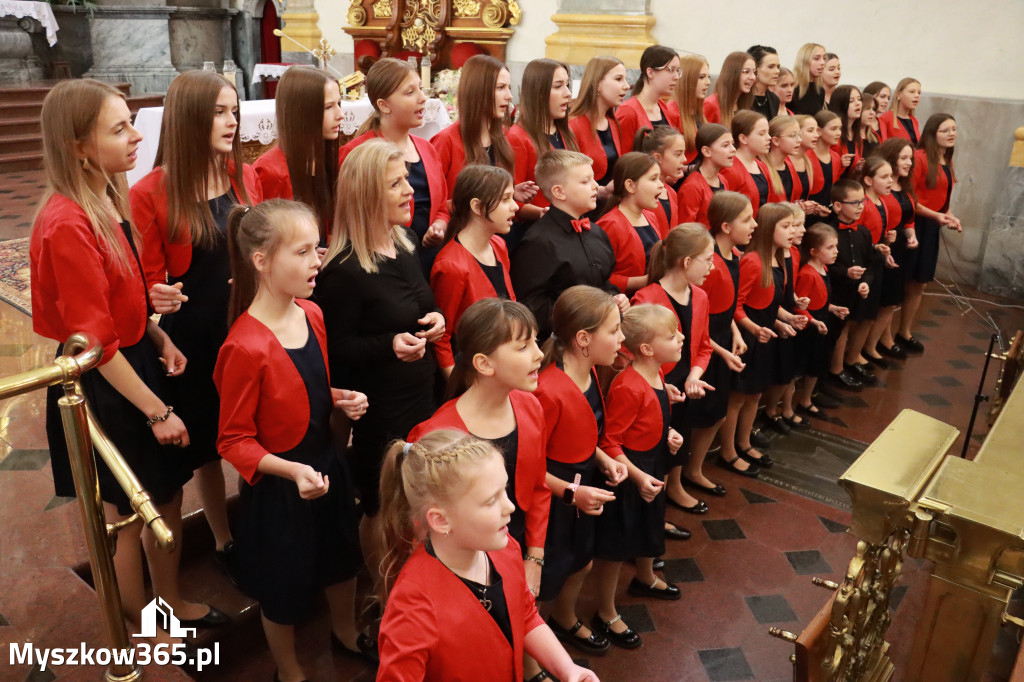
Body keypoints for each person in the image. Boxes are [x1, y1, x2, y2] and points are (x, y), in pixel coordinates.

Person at [31, 78, 205, 637]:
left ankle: (170, 601)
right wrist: (157, 411)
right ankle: (141, 627)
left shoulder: (106, 197)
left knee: (167, 492)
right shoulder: (67, 224)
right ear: (78, 146)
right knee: (126, 515)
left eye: (131, 121)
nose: (136, 135)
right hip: (104, 381)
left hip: (135, 361)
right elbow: (94, 342)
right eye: (119, 127)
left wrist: (158, 337)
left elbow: (118, 305)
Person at [214, 200, 374, 682]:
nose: (315, 263)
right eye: (302, 252)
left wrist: (339, 398)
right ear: (261, 260)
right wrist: (290, 470)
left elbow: (304, 386)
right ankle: (290, 671)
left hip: (326, 466)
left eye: (316, 250)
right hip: (282, 488)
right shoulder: (244, 345)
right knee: (282, 590)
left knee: (343, 561)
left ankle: (346, 634)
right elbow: (233, 440)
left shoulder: (313, 315)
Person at [131, 68, 263, 564]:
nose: (231, 122)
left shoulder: (241, 173)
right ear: (188, 120)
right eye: (218, 113)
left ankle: (259, 521)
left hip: (249, 324)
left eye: (234, 111)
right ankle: (224, 537)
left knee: (257, 429)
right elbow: (142, 281)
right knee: (207, 444)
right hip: (198, 335)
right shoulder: (151, 191)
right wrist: (155, 294)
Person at [316, 139, 446, 581]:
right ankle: (382, 591)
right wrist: (388, 344)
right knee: (379, 503)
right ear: (368, 193)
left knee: (417, 496)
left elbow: (417, 303)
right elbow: (333, 351)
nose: (410, 190)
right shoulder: (343, 271)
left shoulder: (406, 241)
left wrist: (436, 320)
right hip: (381, 404)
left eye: (406, 179)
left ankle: (415, 576)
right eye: (395, 184)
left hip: (420, 391)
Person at [376, 430, 600, 682]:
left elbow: (525, 616)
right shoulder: (412, 606)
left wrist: (567, 669)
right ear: (440, 520)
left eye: (504, 490)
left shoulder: (506, 549)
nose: (510, 506)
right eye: (490, 501)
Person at [407, 299, 549, 600]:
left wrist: (533, 558)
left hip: (516, 541)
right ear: (484, 363)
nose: (539, 354)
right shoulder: (437, 435)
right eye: (523, 347)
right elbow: (426, 527)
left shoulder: (531, 407)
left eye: (535, 342)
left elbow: (537, 487)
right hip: (462, 561)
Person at [534, 286, 629, 659]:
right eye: (615, 330)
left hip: (581, 484)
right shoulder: (548, 390)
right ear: (584, 339)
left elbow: (583, 432)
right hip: (554, 497)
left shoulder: (592, 374)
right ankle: (531, 656)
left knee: (582, 560)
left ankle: (565, 615)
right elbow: (527, 465)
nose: (622, 338)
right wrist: (571, 494)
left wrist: (604, 460)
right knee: (545, 577)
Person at [592, 304, 685, 650]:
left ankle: (645, 577)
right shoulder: (628, 386)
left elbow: (652, 418)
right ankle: (605, 610)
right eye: (672, 334)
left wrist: (669, 433)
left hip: (652, 462)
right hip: (629, 472)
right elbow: (610, 441)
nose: (681, 337)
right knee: (616, 546)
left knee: (650, 524)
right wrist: (637, 476)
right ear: (646, 349)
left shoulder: (656, 373)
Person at [633, 224, 720, 508]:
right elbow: (633, 356)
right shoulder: (646, 299)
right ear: (686, 261)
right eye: (707, 259)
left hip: (683, 384)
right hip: (656, 387)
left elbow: (704, 346)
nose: (712, 265)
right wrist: (660, 384)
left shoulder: (701, 296)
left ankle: (675, 487)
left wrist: (694, 376)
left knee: (681, 438)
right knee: (657, 449)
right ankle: (655, 504)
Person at [338, 58, 450, 273]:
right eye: (410, 93)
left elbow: (442, 206)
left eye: (420, 88)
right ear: (384, 105)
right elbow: (348, 218)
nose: (423, 98)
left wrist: (439, 226)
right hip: (381, 264)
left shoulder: (427, 148)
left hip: (428, 259)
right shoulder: (358, 153)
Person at [511, 150, 628, 339]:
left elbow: (602, 282)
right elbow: (531, 304)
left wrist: (615, 298)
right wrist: (583, 317)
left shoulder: (596, 232)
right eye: (585, 181)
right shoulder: (538, 242)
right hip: (562, 341)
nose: (596, 186)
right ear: (559, 191)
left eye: (593, 180)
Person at [729, 203, 799, 471]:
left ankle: (745, 443)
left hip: (765, 335)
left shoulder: (779, 259)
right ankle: (728, 451)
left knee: (755, 395)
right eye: (786, 226)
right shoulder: (753, 261)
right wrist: (755, 329)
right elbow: (736, 306)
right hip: (749, 339)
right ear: (769, 229)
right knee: (737, 398)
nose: (792, 231)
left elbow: (768, 302)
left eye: (793, 225)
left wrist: (786, 318)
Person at [431, 165, 518, 377]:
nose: (515, 206)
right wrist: (457, 382)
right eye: (505, 199)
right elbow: (442, 338)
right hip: (474, 372)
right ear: (477, 207)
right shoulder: (451, 265)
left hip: (502, 362)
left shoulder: (498, 244)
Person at [431, 54, 537, 208]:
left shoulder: (504, 135)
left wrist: (510, 194)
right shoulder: (446, 140)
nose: (509, 96)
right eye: (500, 88)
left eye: (509, 87)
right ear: (478, 90)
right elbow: (435, 205)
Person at [252, 65, 342, 242]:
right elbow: (267, 240)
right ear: (301, 112)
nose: (340, 115)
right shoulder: (270, 171)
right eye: (328, 107)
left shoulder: (324, 158)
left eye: (339, 104)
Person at [897, 113, 961, 353]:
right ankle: (885, 338)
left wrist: (950, 215)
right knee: (902, 282)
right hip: (915, 222)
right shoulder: (920, 158)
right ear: (933, 133)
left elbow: (942, 199)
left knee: (920, 283)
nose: (952, 134)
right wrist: (935, 215)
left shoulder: (946, 159)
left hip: (932, 224)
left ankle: (905, 331)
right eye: (946, 130)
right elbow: (910, 196)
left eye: (954, 129)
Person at [508, 57, 580, 234]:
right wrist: (540, 212)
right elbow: (510, 199)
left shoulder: (567, 131)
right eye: (558, 86)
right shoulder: (518, 138)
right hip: (538, 231)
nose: (568, 93)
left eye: (567, 85)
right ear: (538, 92)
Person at [761, 203, 810, 432]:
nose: (798, 231)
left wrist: (796, 298)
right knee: (778, 370)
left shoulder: (794, 252)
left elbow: (786, 285)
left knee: (789, 369)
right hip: (773, 317)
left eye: (799, 225)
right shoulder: (775, 254)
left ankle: (784, 408)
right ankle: (770, 411)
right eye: (792, 225)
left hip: (786, 312)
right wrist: (782, 317)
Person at [826, 179, 878, 392]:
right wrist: (845, 272)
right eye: (854, 202)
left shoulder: (863, 233)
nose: (860, 207)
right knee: (837, 330)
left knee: (850, 325)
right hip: (835, 290)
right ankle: (834, 370)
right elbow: (822, 265)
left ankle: (845, 363)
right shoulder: (827, 231)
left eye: (862, 201)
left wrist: (865, 282)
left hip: (855, 291)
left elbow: (870, 264)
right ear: (838, 206)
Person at [793, 223, 847, 418]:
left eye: (836, 247)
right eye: (830, 247)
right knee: (806, 366)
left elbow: (820, 299)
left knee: (818, 365)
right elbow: (800, 306)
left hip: (822, 322)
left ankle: (807, 397)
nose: (836, 252)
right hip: (810, 327)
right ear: (814, 251)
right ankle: (799, 401)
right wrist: (813, 321)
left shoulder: (823, 268)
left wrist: (833, 308)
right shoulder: (807, 274)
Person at [871, 137, 918, 360]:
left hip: (900, 247)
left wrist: (912, 235)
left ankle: (883, 339)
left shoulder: (904, 185)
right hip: (886, 246)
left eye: (910, 158)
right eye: (904, 158)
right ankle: (873, 345)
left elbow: (908, 218)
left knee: (892, 300)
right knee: (886, 300)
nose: (909, 162)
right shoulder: (885, 187)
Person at [597, 152, 665, 295]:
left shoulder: (650, 216)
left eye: (659, 179)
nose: (661, 185)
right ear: (630, 185)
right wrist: (646, 280)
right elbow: (600, 278)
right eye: (653, 179)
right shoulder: (610, 224)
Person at [569, 56, 630, 200]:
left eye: (625, 79)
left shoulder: (612, 122)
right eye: (618, 79)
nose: (627, 86)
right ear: (597, 84)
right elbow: (569, 180)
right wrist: (600, 192)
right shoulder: (573, 125)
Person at [615, 45, 681, 148]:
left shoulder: (662, 106)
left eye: (678, 71)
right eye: (671, 70)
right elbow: (624, 159)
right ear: (650, 72)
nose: (676, 77)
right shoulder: (628, 111)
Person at [677, 123, 735, 226]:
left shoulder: (722, 179)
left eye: (732, 144)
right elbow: (685, 230)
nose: (733, 149)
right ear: (706, 151)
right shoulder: (692, 187)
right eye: (726, 145)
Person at [635, 126, 687, 236]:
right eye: (678, 154)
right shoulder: (643, 195)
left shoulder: (671, 193)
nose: (684, 159)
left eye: (684, 153)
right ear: (658, 157)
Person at [721, 110, 771, 214]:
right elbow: (726, 210)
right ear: (743, 139)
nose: (769, 138)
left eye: (768, 132)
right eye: (762, 134)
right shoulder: (730, 169)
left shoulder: (761, 165)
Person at [670, 54, 711, 164]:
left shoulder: (698, 110)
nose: (708, 82)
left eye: (708, 77)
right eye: (702, 77)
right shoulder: (671, 112)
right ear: (687, 79)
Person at [704, 51, 757, 127]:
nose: (753, 77)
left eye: (754, 72)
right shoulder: (711, 104)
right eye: (746, 72)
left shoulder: (744, 104)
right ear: (732, 73)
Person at [808, 110, 844, 216]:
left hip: (827, 213)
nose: (838, 133)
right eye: (833, 129)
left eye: (840, 128)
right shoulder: (806, 156)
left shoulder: (836, 157)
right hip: (809, 214)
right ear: (819, 131)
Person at [764, 115, 805, 203]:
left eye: (799, 135)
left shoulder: (788, 164)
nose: (799, 140)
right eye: (792, 136)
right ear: (776, 141)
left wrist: (803, 206)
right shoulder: (763, 168)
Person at [827, 85, 864, 178]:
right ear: (840, 105)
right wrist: (839, 163)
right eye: (851, 101)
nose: (858, 103)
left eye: (859, 99)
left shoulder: (857, 135)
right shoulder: (832, 134)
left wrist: (857, 168)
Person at [878, 78, 921, 145]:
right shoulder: (886, 118)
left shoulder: (914, 120)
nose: (917, 95)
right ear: (899, 94)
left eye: (919, 93)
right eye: (912, 92)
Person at [790, 43, 827, 115]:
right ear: (804, 61)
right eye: (816, 58)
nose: (822, 62)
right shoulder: (792, 89)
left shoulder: (820, 91)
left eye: (824, 59)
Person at [747, 45, 782, 121]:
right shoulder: (742, 98)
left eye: (778, 67)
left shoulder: (774, 99)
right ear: (755, 69)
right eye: (771, 67)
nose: (777, 71)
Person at [859, 92, 881, 157]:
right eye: (867, 108)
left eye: (873, 109)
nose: (872, 113)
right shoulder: (849, 138)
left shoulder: (875, 137)